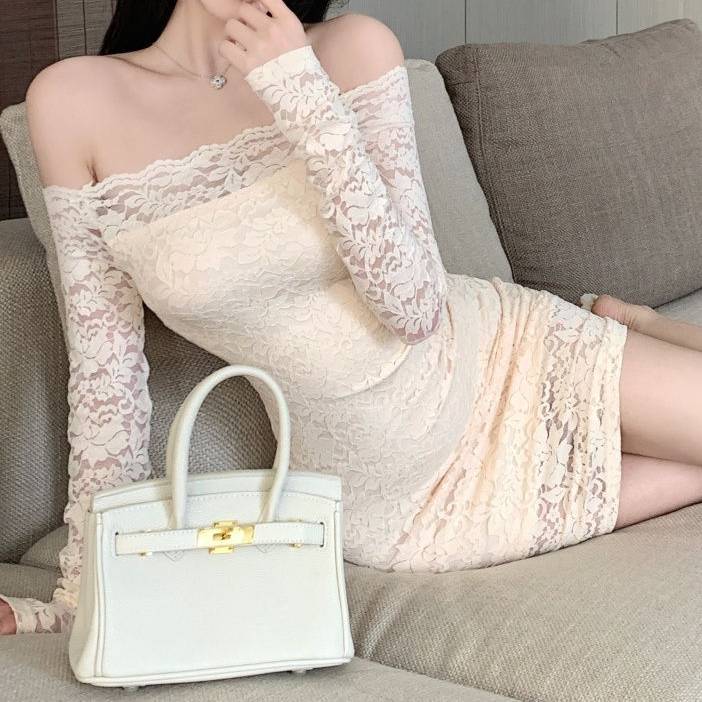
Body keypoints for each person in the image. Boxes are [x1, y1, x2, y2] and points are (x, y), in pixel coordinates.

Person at [2, 0, 702, 636]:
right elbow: (106, 381)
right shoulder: (73, 100)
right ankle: (639, 326)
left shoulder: (352, 48)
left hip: (505, 356)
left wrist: (300, 91)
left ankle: (637, 326)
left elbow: (414, 308)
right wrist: (75, 601)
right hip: (391, 506)